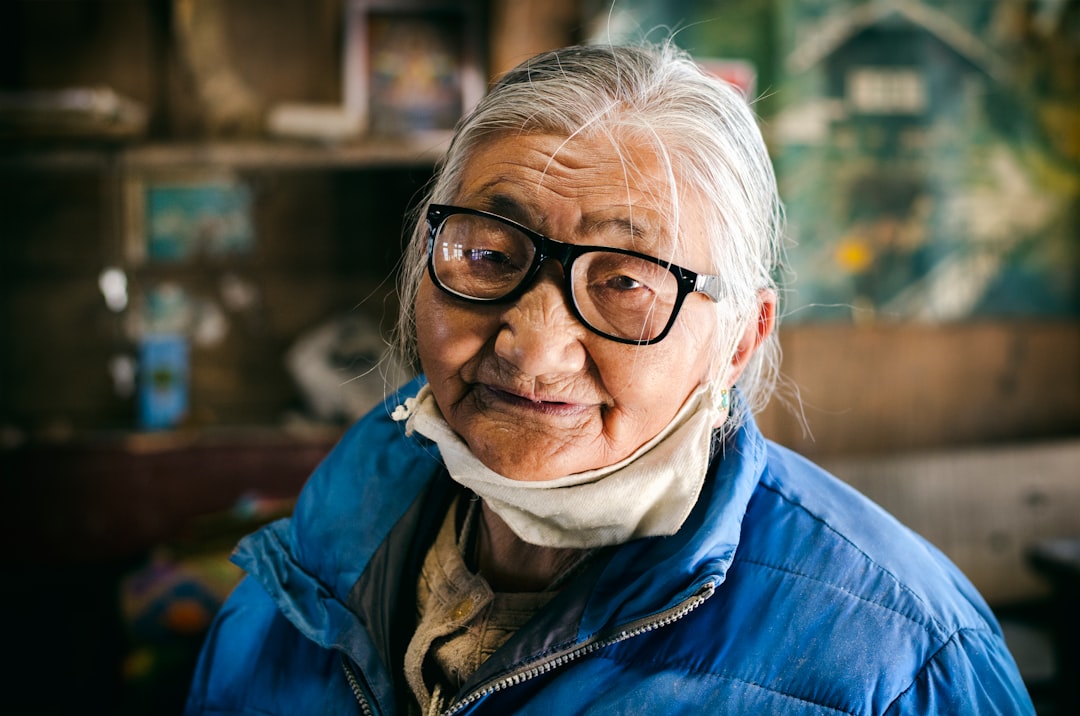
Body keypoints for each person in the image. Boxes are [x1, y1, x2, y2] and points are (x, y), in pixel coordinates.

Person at [183, 43, 1034, 715]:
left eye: (625, 282)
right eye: (486, 255)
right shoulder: (301, 578)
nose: (533, 345)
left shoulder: (902, 663)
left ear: (741, 340)